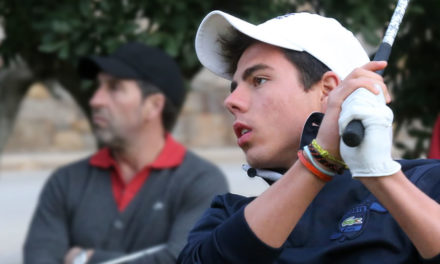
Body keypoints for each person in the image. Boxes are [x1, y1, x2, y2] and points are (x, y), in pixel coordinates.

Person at [178, 11, 440, 263]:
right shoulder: (227, 215)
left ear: (330, 90)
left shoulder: (426, 184)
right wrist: (318, 162)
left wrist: (381, 176)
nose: (231, 101)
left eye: (258, 80)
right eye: (233, 88)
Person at [24, 42, 228, 264]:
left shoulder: (200, 181)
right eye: (98, 86)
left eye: (114, 87)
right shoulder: (65, 182)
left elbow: (185, 259)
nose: (95, 100)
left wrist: (85, 258)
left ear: (153, 105)